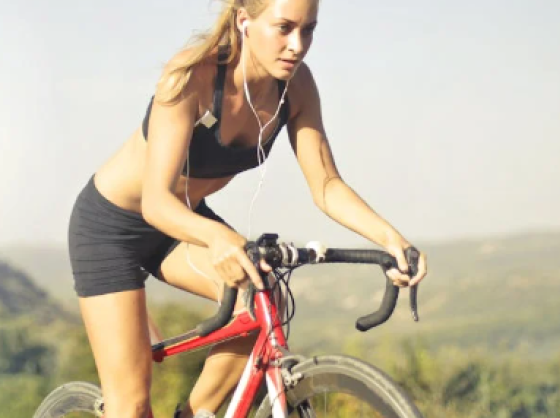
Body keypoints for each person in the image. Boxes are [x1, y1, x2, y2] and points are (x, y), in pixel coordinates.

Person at [66, 0, 428, 417]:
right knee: (130, 406)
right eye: (284, 28)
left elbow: (326, 184)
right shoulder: (193, 76)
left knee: (260, 292)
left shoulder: (296, 87)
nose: (297, 45)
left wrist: (391, 238)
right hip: (111, 228)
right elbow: (156, 201)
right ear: (244, 20)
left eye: (308, 30)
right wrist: (218, 236)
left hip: (180, 225)